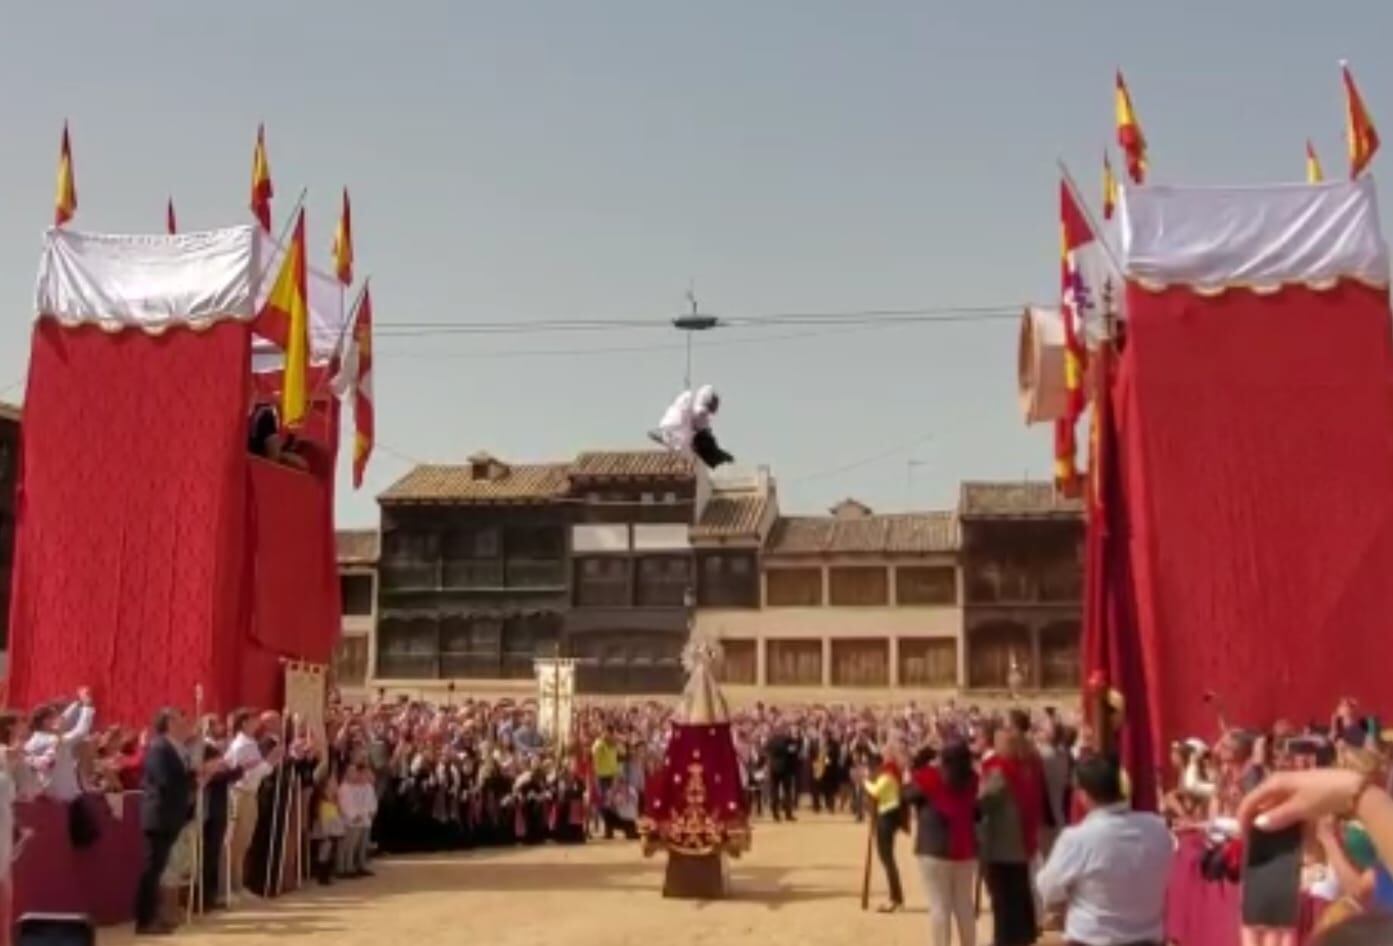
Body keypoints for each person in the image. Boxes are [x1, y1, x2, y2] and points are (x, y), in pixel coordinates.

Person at [1036, 755, 1173, 946]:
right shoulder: (1157, 828)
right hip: (1148, 938)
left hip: (1094, 939)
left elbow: (1049, 889)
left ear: (1083, 795)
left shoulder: (1078, 838)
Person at [905, 740, 978, 946]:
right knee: (964, 905)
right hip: (964, 846)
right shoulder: (973, 779)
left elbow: (907, 794)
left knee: (939, 906)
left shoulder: (931, 777)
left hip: (934, 848)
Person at [135, 707, 194, 937]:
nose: (184, 724)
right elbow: (164, 779)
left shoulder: (174, 748)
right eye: (179, 720)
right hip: (159, 815)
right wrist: (192, 778)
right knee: (152, 869)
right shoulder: (159, 747)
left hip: (170, 815)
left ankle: (154, 915)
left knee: (158, 868)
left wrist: (195, 776)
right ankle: (145, 919)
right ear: (169, 723)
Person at [979, 724, 1040, 946]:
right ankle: (1022, 935)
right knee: (1019, 893)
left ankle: (1003, 938)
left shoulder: (1000, 772)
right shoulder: (1025, 768)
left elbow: (983, 801)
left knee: (1002, 898)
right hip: (1020, 841)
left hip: (1002, 844)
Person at [224, 708, 277, 899]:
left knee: (244, 841)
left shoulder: (251, 743)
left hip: (250, 794)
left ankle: (238, 884)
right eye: (254, 719)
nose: (257, 723)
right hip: (240, 794)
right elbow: (246, 773)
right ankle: (230, 887)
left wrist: (269, 764)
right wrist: (270, 761)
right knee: (235, 842)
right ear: (244, 722)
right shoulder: (242, 745)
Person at [25, 687, 96, 802]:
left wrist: (77, 702)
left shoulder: (33, 741)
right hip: (62, 796)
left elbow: (63, 720)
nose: (59, 719)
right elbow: (80, 732)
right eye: (54, 717)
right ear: (46, 722)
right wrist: (87, 706)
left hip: (52, 793)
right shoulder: (53, 741)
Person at [864, 747, 906, 913]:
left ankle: (895, 898)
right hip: (886, 815)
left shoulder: (888, 775)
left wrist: (864, 781)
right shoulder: (887, 773)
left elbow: (876, 791)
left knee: (888, 859)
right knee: (886, 859)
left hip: (887, 816)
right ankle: (896, 897)